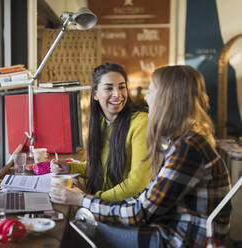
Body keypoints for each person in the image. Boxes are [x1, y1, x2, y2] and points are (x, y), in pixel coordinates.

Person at [50, 65, 232, 247]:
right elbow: (146, 198)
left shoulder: (189, 148)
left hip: (180, 240)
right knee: (84, 224)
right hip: (169, 227)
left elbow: (139, 213)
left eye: (151, 91)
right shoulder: (183, 141)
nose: (145, 98)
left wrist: (82, 199)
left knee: (79, 231)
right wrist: (88, 197)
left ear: (167, 99)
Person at [51, 62, 151, 202]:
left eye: (122, 87)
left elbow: (137, 183)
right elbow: (101, 168)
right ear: (96, 94)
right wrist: (70, 168)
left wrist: (90, 199)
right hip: (104, 204)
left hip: (127, 209)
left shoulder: (141, 122)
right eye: (109, 88)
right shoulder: (103, 122)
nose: (117, 94)